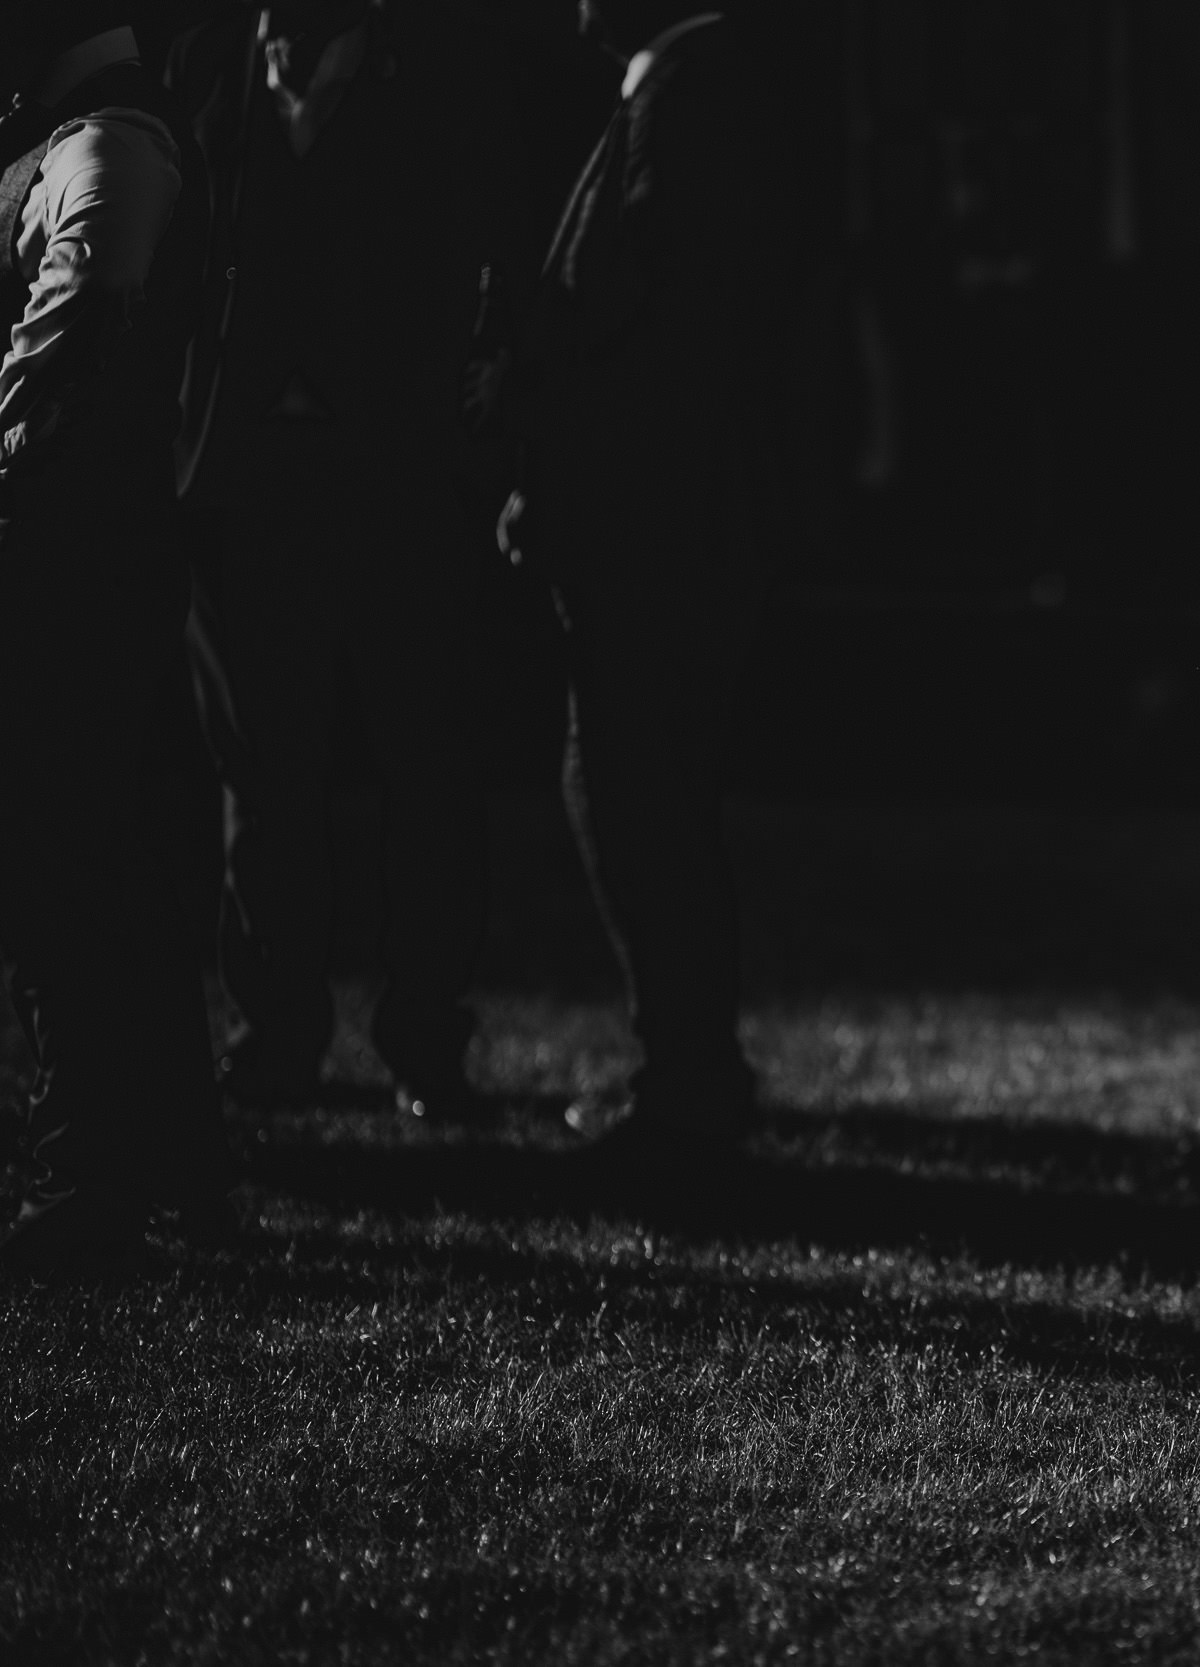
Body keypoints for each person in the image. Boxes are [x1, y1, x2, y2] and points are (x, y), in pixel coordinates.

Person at [166, 0, 525, 1121]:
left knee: (429, 768)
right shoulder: (210, 69)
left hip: (399, 482)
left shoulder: (443, 75)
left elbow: (495, 240)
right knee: (263, 777)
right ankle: (276, 1036)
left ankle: (425, 1040)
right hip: (247, 486)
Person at [497, 0, 794, 1173]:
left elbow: (661, 332)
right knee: (634, 789)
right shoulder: (683, 90)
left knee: (633, 792)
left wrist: (555, 456)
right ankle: (684, 1070)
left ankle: (688, 1086)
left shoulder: (691, 95)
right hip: (661, 511)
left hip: (655, 519)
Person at [0, 3, 236, 1273]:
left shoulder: (109, 144)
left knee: (60, 876)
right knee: (112, 873)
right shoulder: (82, 137)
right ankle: (177, 1172)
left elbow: (82, 320)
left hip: (65, 565)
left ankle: (89, 1176)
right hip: (86, 556)